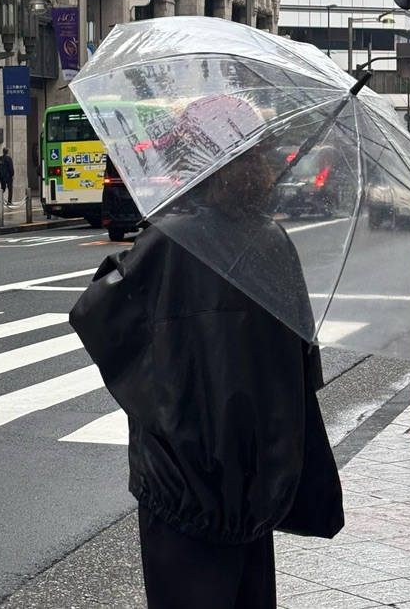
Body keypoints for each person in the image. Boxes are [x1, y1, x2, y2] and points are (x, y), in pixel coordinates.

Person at [69, 147, 343, 609]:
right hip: (256, 479)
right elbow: (302, 361)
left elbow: (98, 316)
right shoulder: (273, 242)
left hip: (181, 480)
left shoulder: (171, 241)